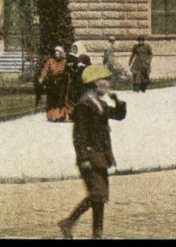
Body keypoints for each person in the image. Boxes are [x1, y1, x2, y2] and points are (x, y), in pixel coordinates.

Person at [57, 64, 126, 240]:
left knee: (99, 196)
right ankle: (82, 228)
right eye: (105, 80)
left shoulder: (100, 104)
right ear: (96, 83)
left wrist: (117, 100)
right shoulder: (84, 106)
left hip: (102, 155)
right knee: (98, 194)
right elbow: (78, 135)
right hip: (90, 156)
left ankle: (88, 230)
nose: (108, 84)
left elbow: (118, 115)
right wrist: (83, 157)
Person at [37, 45, 71, 122]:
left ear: (61, 54)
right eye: (56, 54)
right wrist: (41, 79)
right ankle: (53, 116)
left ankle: (61, 115)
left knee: (61, 98)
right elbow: (45, 70)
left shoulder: (65, 61)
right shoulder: (50, 60)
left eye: (58, 54)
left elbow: (69, 70)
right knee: (53, 99)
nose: (57, 55)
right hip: (53, 82)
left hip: (62, 81)